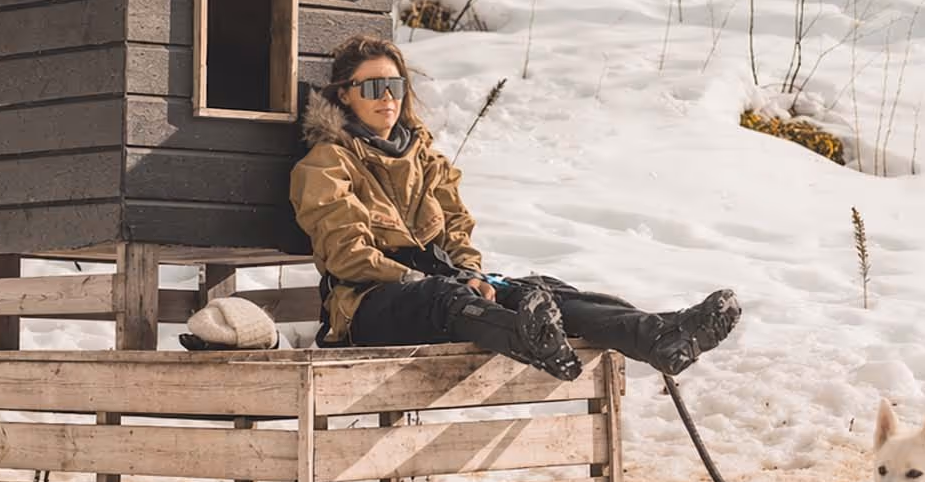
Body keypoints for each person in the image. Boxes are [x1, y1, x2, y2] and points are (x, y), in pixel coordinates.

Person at [289, 35, 742, 382]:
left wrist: (467, 272)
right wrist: (435, 280)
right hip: (367, 307)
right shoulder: (327, 163)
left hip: (445, 292)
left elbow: (457, 233)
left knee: (539, 290)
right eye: (371, 86)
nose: (387, 96)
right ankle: (530, 338)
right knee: (445, 297)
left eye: (394, 84)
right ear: (345, 95)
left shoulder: (425, 158)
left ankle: (661, 337)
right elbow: (348, 254)